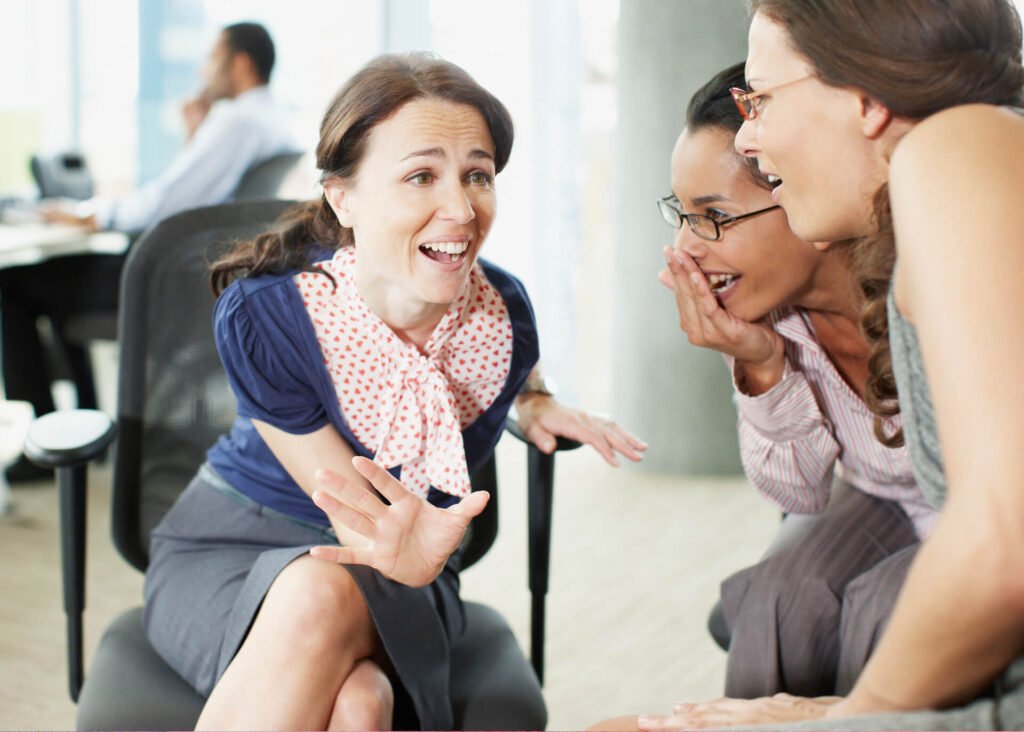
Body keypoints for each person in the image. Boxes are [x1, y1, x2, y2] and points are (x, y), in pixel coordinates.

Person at [143, 52, 647, 731]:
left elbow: (494, 361)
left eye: (478, 174)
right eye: (420, 176)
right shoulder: (270, 316)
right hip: (236, 541)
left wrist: (530, 401)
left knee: (326, 607)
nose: (462, 208)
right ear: (342, 197)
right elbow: (356, 515)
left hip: (403, 569)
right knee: (358, 703)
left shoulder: (503, 317)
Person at [614, 0, 1024, 728]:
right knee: (783, 592)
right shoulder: (928, 206)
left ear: (864, 98)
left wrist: (838, 719)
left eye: (761, 99)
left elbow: (998, 543)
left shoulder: (954, 146)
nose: (749, 134)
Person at [655, 62, 935, 700]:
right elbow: (799, 494)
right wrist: (761, 365)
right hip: (879, 496)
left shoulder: (925, 283)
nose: (685, 249)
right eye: (681, 213)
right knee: (778, 594)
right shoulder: (767, 316)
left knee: (885, 610)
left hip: (985, 510)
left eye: (713, 216)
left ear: (802, 191)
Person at [0, 21, 298, 482]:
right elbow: (198, 198)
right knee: (58, 285)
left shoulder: (236, 119)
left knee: (13, 284)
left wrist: (88, 214)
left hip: (160, 280)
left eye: (212, 60)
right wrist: (194, 135)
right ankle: (80, 432)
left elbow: (164, 203)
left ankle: (44, 450)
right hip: (198, 276)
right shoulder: (271, 119)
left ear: (239, 64)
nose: (204, 71)